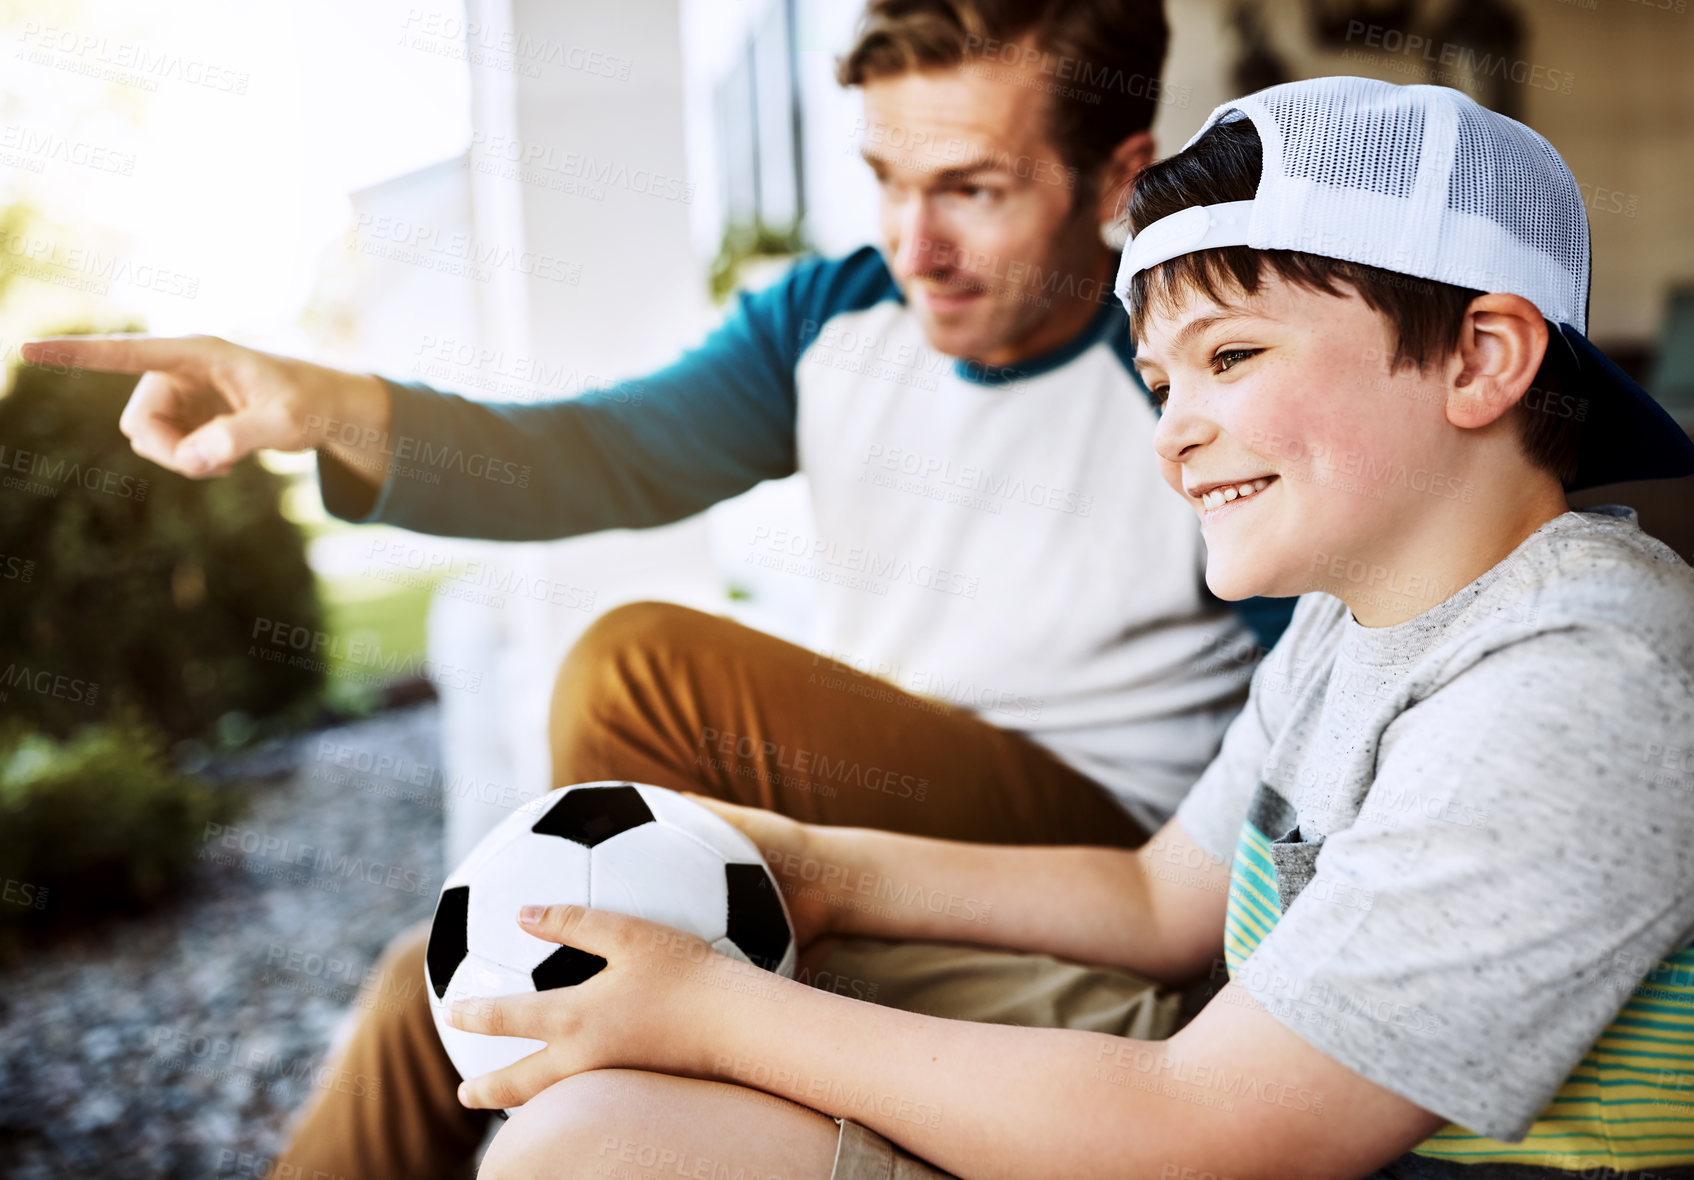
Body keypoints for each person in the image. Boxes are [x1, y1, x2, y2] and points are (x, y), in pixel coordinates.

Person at [25, 3, 1296, 1175]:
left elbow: (1317, 696)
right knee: (440, 988)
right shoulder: (828, 319)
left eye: (970, 189)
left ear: (1119, 175)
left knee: (642, 671)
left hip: (1100, 848)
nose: (916, 245)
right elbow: (593, 453)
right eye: (887, 182)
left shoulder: (1185, 367)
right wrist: (321, 405)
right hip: (875, 820)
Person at [429, 76, 1694, 1180]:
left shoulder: (1584, 678)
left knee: (589, 1146)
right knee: (618, 1094)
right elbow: (1156, 900)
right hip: (1211, 1094)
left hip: (1225, 1136)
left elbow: (1209, 1135)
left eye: (1232, 354)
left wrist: (710, 1014)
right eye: (1161, 380)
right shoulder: (1355, 615)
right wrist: (814, 869)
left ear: (1480, 358)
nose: (1172, 429)